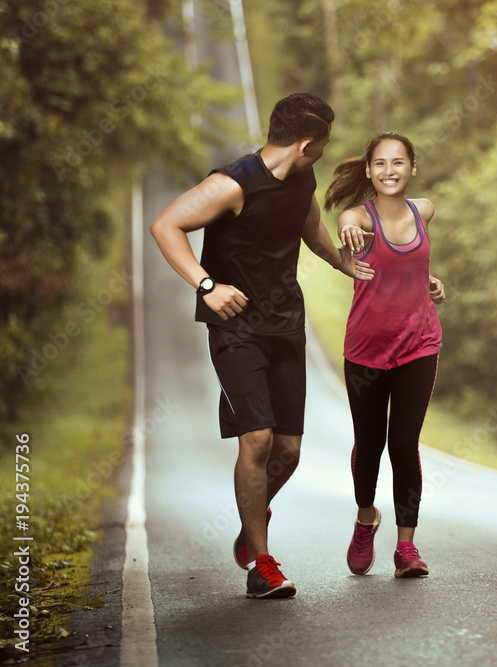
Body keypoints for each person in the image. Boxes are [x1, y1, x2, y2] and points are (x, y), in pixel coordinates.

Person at [149, 92, 373, 599]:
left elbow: (310, 226)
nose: (324, 152)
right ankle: (262, 563)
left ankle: (255, 517)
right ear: (308, 143)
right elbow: (166, 225)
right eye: (325, 144)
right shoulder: (231, 184)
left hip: (286, 324)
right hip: (237, 330)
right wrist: (207, 285)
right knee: (258, 439)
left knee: (289, 452)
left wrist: (341, 262)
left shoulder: (301, 177)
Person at [324, 131, 445, 578]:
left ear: (413, 168)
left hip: (419, 343)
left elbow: (415, 263)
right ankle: (364, 517)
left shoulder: (425, 210)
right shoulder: (359, 216)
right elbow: (346, 226)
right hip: (366, 350)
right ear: (369, 171)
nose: (389, 171)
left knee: (404, 443)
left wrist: (429, 282)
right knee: (370, 443)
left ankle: (406, 547)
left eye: (398, 163)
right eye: (380, 163)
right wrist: (349, 232)